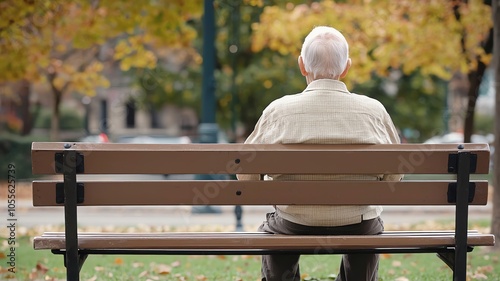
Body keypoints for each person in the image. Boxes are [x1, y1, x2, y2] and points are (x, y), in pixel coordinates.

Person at [237, 26, 402, 281]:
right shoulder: (374, 111)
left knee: (277, 227)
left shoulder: (278, 111)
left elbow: (246, 176)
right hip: (358, 223)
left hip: (294, 222)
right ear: (346, 67)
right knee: (369, 227)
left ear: (302, 65)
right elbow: (395, 175)